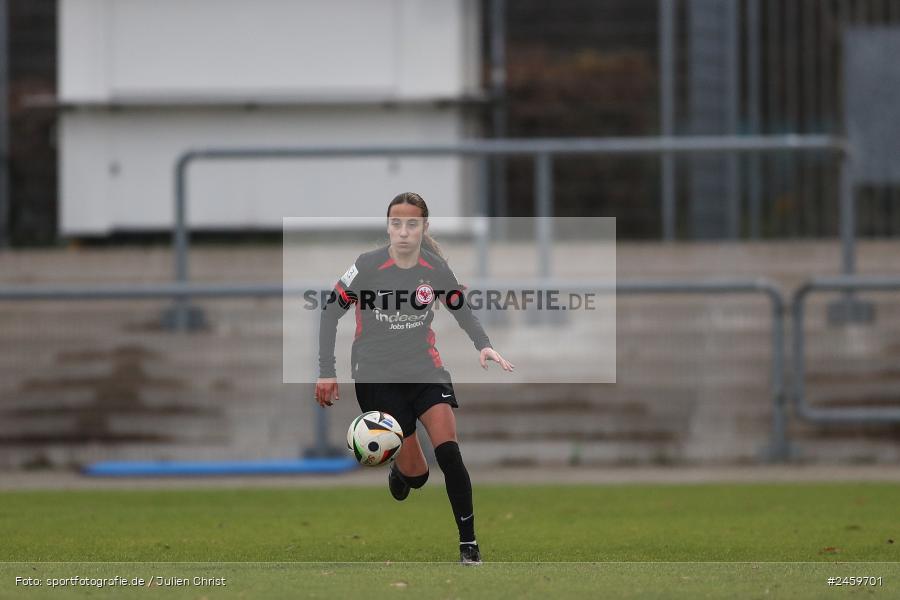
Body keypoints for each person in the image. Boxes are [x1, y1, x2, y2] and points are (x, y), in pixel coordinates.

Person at [315, 192, 514, 566]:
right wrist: (326, 370)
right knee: (419, 475)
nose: (403, 231)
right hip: (377, 375)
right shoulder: (367, 266)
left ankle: (468, 545)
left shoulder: (434, 267)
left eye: (411, 223)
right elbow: (329, 312)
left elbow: (462, 310)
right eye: (396, 223)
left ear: (423, 227)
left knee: (449, 453)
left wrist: (483, 345)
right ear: (388, 226)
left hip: (424, 369)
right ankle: (401, 471)